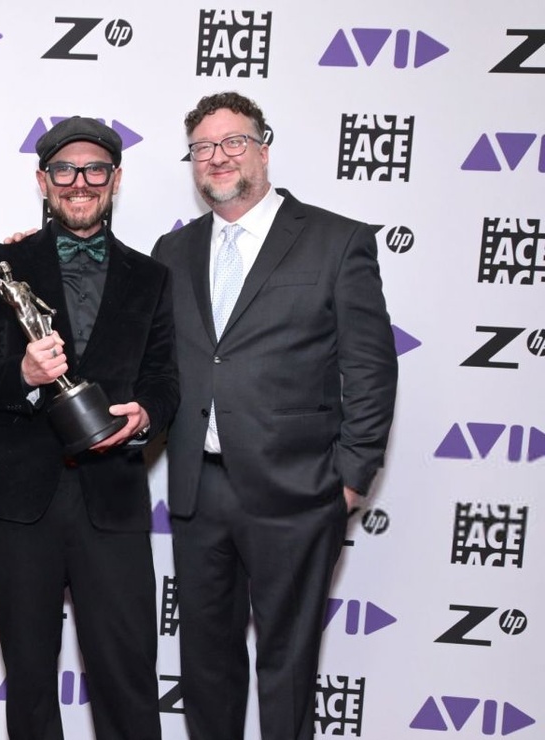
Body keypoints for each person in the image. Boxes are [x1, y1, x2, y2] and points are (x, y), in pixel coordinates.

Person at [151, 92, 398, 740]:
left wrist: (350, 479)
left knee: (287, 667)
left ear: (263, 148)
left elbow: (371, 370)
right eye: (203, 147)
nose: (218, 156)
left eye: (233, 141)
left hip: (298, 491)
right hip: (198, 489)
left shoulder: (336, 241)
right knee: (205, 666)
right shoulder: (171, 251)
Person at [0, 116, 177, 740]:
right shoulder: (0, 264)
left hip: (112, 495)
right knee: (29, 677)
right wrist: (24, 373)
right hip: (18, 497)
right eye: (64, 170)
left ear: (115, 179)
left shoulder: (152, 277)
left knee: (128, 672)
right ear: (43, 181)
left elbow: (164, 379)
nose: (80, 182)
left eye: (95, 169)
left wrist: (145, 415)